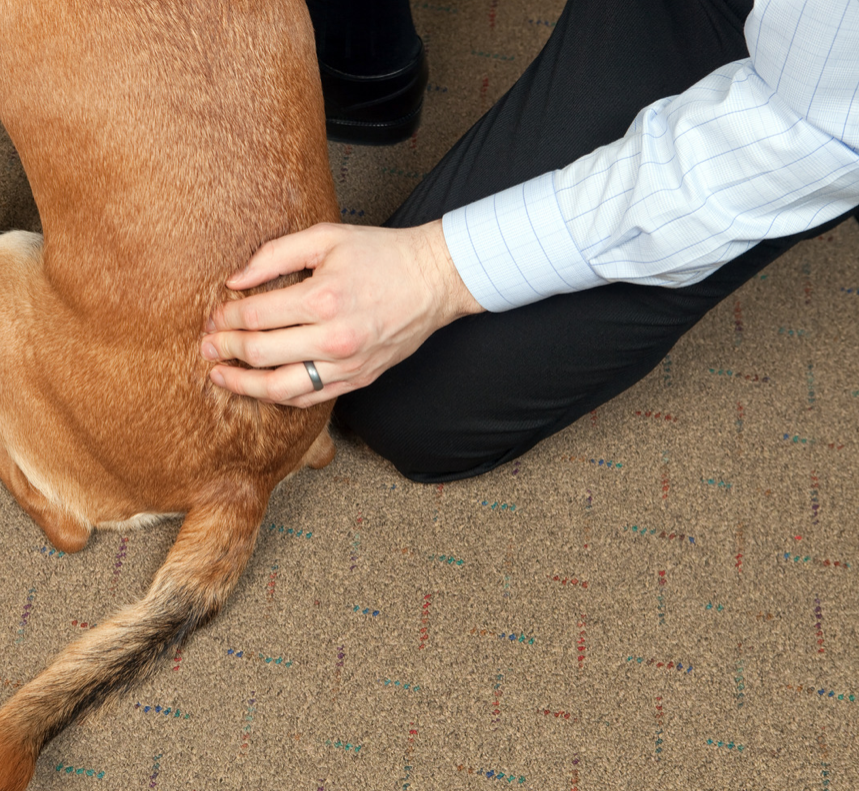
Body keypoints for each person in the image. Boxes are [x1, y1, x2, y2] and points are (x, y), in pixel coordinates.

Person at [198, 0, 859, 483]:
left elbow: (804, 137)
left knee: (410, 403)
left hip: (808, 103)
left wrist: (438, 271)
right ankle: (363, 54)